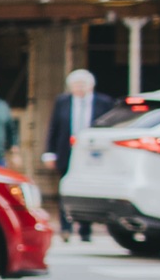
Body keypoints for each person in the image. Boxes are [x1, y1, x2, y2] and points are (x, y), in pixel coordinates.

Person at [44, 69, 113, 241]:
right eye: (76, 85)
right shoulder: (63, 102)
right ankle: (65, 228)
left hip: (92, 153)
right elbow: (54, 127)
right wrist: (49, 153)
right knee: (65, 188)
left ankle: (85, 229)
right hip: (67, 151)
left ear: (91, 86)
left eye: (83, 85)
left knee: (88, 189)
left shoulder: (103, 102)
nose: (79, 89)